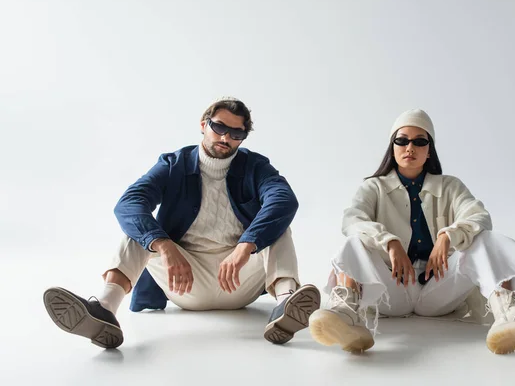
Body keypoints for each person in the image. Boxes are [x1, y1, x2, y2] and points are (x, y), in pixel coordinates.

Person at [43, 97, 320, 348]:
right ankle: (103, 309)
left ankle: (285, 305)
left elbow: (284, 200)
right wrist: (164, 245)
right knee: (140, 231)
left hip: (239, 279)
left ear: (243, 137)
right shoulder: (173, 165)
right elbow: (129, 204)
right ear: (203, 124)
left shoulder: (256, 167)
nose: (226, 137)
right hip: (185, 281)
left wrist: (245, 245)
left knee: (278, 226)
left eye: (236, 133)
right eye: (219, 127)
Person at [308, 109, 515, 354]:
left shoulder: (450, 186)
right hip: (391, 291)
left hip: (438, 291)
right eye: (402, 141)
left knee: (483, 239)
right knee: (355, 241)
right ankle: (347, 314)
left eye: (419, 141)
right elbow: (352, 220)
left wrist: (448, 236)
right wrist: (390, 242)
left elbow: (478, 215)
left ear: (429, 150)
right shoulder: (373, 188)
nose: (410, 147)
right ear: (393, 146)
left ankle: (509, 314)